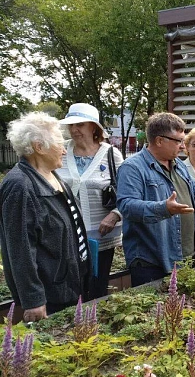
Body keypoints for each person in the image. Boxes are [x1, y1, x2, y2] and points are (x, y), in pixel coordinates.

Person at [116, 113, 195, 287]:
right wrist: (164, 208)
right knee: (156, 311)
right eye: (179, 141)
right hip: (153, 260)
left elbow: (193, 195)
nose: (183, 146)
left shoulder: (178, 164)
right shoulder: (132, 168)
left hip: (187, 254)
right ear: (159, 140)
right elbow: (127, 206)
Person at [0, 112, 92, 321]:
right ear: (39, 147)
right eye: (59, 143)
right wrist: (33, 300)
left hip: (71, 286)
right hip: (50, 296)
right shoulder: (20, 186)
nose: (64, 149)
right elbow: (19, 249)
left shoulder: (51, 175)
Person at [56, 103, 124, 299]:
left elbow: (127, 192)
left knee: (96, 287)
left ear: (94, 127)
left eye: (80, 124)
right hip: (66, 236)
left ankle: (93, 327)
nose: (74, 130)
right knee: (70, 289)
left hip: (100, 235)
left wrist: (116, 214)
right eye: (71, 125)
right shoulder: (60, 152)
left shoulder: (111, 154)